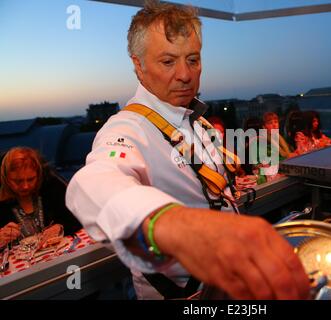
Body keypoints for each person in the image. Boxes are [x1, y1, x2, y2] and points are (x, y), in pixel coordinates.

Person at [66, 0, 309, 300]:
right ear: (138, 66)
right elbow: (95, 183)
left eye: (192, 60)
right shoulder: (127, 128)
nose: (185, 74)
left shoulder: (198, 123)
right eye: (168, 61)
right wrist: (171, 224)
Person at [0, 147, 82, 249]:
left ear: (38, 175)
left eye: (31, 179)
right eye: (17, 181)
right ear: (5, 178)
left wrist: (61, 227)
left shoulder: (52, 186)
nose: (25, 186)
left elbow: (78, 216)